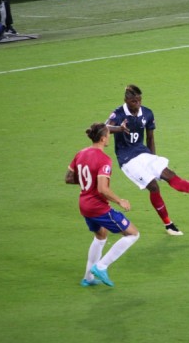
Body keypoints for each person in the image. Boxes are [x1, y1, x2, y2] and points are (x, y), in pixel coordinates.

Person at [106, 84, 189, 236]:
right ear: (126, 100)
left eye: (139, 100)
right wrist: (119, 129)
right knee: (154, 187)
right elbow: (104, 128)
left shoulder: (147, 113)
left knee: (169, 174)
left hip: (144, 154)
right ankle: (169, 225)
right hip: (127, 159)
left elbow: (150, 137)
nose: (138, 104)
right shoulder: (118, 114)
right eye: (134, 101)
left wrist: (153, 158)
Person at [66, 122, 140, 288]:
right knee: (133, 234)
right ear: (102, 138)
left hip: (83, 204)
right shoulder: (104, 159)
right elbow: (102, 189)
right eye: (108, 134)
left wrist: (87, 181)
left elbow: (68, 178)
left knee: (100, 236)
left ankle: (88, 278)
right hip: (97, 207)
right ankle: (101, 266)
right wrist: (120, 200)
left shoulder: (81, 153)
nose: (109, 137)